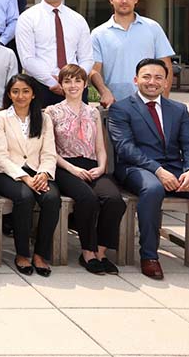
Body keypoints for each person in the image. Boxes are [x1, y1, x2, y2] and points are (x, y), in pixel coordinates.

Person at [108, 58, 189, 283]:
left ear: (166, 82)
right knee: (153, 189)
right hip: (138, 169)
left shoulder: (178, 109)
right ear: (136, 80)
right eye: (146, 77)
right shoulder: (121, 108)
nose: (152, 82)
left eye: (158, 77)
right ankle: (149, 255)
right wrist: (158, 170)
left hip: (178, 169)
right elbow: (125, 148)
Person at [46, 64, 126, 275]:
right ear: (61, 85)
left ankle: (101, 251)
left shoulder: (93, 112)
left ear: (85, 84)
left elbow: (100, 146)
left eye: (77, 81)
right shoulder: (52, 112)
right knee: (87, 198)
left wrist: (101, 167)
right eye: (67, 81)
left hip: (92, 165)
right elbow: (48, 150)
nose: (73, 85)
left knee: (114, 199)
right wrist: (72, 168)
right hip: (64, 166)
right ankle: (87, 252)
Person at [0, 73, 60, 277]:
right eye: (15, 91)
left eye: (25, 91)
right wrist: (25, 178)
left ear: (33, 94)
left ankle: (40, 254)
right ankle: (22, 254)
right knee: (24, 197)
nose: (21, 96)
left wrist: (44, 173)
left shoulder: (44, 118)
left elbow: (49, 152)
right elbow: (0, 156)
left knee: (51, 198)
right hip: (7, 172)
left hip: (37, 170)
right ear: (9, 95)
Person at [90, 0, 175, 106]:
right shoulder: (98, 33)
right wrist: (104, 92)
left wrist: (164, 100)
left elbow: (166, 65)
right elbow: (93, 70)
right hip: (116, 103)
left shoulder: (153, 27)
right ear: (111, 0)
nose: (124, 1)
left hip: (149, 102)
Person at [15, 0, 93, 106]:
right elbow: (27, 59)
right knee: (43, 128)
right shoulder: (27, 18)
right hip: (41, 87)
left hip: (75, 89)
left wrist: (75, 81)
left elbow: (86, 58)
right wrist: (53, 82)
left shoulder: (78, 19)